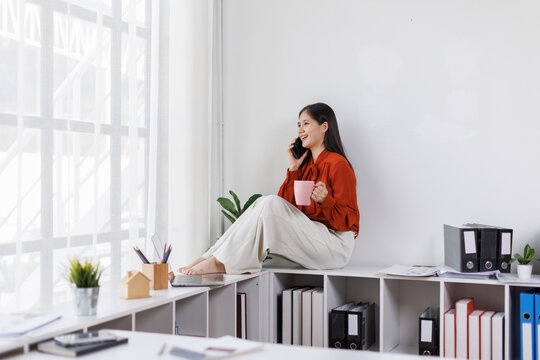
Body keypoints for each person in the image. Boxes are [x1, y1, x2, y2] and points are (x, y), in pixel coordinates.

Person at [178, 103, 359, 275]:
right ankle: (208, 258)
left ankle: (218, 263)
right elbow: (283, 210)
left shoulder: (338, 164)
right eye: (298, 125)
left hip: (336, 246)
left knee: (269, 202)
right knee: (263, 202)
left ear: (324, 126)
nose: (300, 130)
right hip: (314, 237)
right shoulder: (305, 166)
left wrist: (325, 201)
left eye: (306, 124)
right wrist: (294, 169)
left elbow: (348, 222)